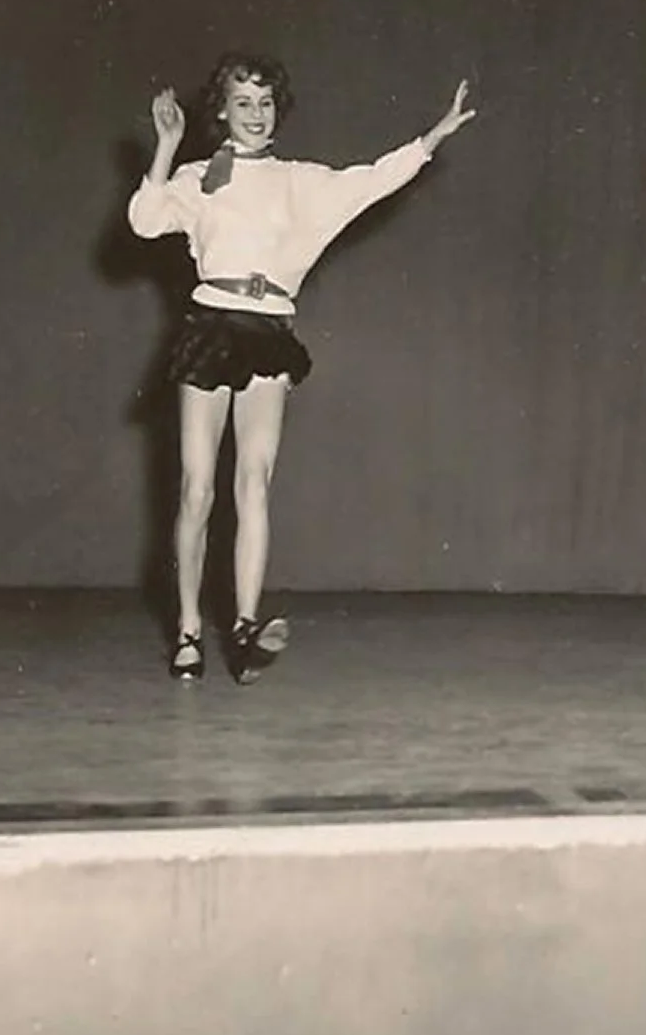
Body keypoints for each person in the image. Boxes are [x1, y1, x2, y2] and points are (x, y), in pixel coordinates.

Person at [129, 51, 475, 683]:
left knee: (254, 480)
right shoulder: (200, 175)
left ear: (276, 109)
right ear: (222, 111)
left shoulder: (302, 181)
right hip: (210, 325)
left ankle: (244, 625)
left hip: (269, 331)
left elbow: (373, 179)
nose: (255, 114)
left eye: (265, 103)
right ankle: (185, 631)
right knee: (196, 489)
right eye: (243, 103)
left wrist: (431, 139)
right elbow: (146, 222)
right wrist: (167, 147)